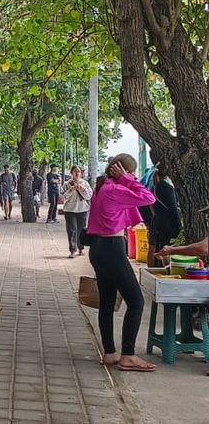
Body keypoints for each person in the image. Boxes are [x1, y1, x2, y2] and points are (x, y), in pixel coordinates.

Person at [86, 154, 156, 372]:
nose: (133, 177)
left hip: (98, 249)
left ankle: (110, 352)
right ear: (122, 171)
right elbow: (148, 197)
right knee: (136, 301)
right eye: (131, 172)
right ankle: (128, 355)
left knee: (107, 301)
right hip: (112, 249)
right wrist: (126, 179)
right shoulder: (115, 190)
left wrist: (124, 178)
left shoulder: (102, 187)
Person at [143, 167, 181, 266]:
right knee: (165, 249)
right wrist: (178, 225)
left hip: (155, 221)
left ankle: (150, 272)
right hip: (166, 223)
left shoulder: (151, 187)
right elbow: (173, 209)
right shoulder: (165, 188)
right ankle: (165, 270)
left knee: (152, 247)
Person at [61, 165, 92, 258]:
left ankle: (81, 248)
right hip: (70, 210)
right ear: (71, 173)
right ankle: (72, 250)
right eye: (75, 171)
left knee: (81, 230)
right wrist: (71, 190)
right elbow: (63, 197)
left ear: (81, 173)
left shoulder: (85, 183)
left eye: (78, 171)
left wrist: (82, 189)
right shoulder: (67, 184)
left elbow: (88, 196)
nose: (77, 173)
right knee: (72, 230)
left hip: (82, 209)